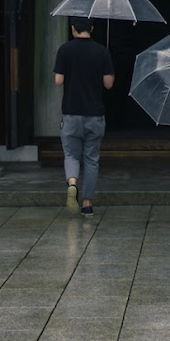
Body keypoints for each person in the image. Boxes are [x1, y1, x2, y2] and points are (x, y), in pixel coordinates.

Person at [54, 16, 115, 216]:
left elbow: (58, 80)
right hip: (95, 114)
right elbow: (108, 84)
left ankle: (72, 183)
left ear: (73, 29)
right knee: (91, 159)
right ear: (92, 28)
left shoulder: (65, 50)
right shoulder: (102, 51)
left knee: (71, 154)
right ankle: (87, 203)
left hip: (71, 112)